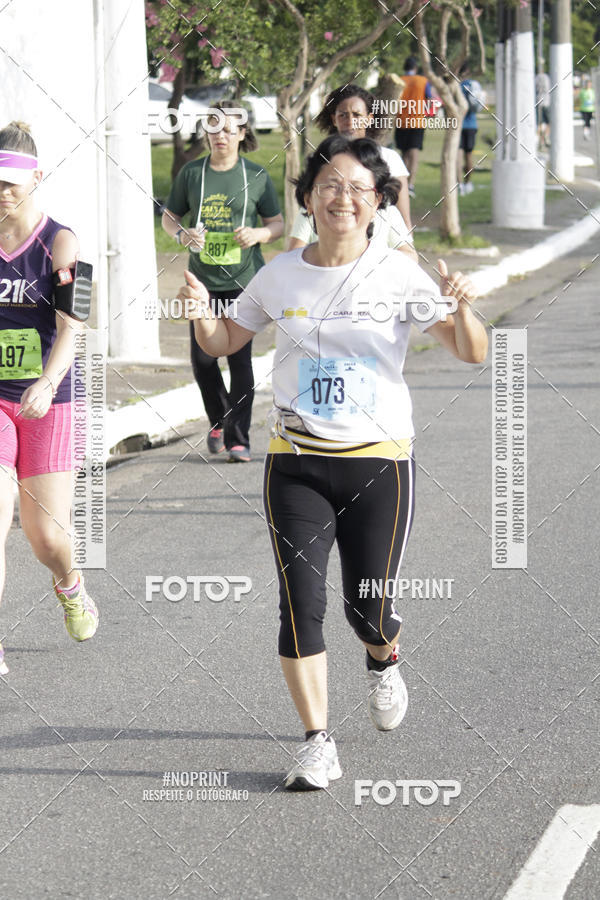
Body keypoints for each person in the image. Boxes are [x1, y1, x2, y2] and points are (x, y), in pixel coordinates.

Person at [178, 134, 487, 790]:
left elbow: (472, 352)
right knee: (300, 603)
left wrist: (464, 307)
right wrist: (200, 316)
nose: (342, 198)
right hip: (296, 463)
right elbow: (225, 338)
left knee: (365, 607)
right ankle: (317, 741)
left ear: (377, 203)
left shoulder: (399, 272)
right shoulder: (281, 273)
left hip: (378, 464)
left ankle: (384, 656)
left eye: (356, 189)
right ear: (309, 200)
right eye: (329, 187)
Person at [0, 122, 98, 674]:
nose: (3, 191)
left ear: (36, 177)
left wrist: (47, 381)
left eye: (13, 181)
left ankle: (69, 583)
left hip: (48, 398)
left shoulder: (62, 242)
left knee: (46, 536)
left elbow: (73, 327)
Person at [162, 101, 283, 463]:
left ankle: (238, 439)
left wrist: (259, 233)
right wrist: (183, 235)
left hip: (244, 278)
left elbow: (276, 223)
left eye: (230, 129)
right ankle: (219, 418)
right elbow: (170, 217)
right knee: (202, 360)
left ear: (243, 133)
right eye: (214, 128)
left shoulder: (256, 176)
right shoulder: (193, 174)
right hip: (202, 282)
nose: (221, 136)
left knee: (239, 360)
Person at [288, 82, 412, 247]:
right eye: (343, 115)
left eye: (357, 115)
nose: (350, 121)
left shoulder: (390, 159)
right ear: (334, 119)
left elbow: (403, 218)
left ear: (369, 119)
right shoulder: (324, 159)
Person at [394, 57, 433, 197]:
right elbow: (429, 99)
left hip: (401, 121)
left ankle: (402, 183)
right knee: (414, 153)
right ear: (415, 68)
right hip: (417, 121)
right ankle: (410, 185)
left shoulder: (398, 80)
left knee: (404, 154)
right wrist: (430, 114)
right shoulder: (422, 81)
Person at [458, 62, 485, 195]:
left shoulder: (457, 86)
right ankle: (468, 183)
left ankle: (459, 185)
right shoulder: (475, 85)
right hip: (471, 124)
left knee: (458, 155)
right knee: (469, 155)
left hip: (458, 125)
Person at [535, 69, 551, 150]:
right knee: (549, 122)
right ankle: (546, 137)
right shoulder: (547, 77)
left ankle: (540, 141)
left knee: (540, 123)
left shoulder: (536, 78)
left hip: (538, 101)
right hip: (546, 102)